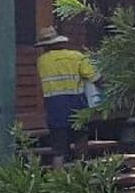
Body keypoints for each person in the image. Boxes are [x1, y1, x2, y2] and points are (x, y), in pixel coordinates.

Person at [36, 28, 97, 166]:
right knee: (81, 143)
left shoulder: (42, 61)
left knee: (58, 151)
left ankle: (58, 181)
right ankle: (83, 176)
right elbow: (94, 77)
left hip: (54, 107)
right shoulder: (77, 56)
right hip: (77, 104)